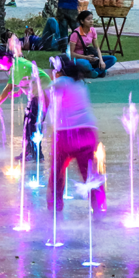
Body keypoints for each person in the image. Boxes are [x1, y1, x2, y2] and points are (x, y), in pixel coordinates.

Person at [47, 54, 105, 212]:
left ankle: (55, 205)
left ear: (58, 70)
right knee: (90, 173)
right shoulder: (80, 84)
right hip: (87, 133)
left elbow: (46, 95)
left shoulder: (60, 82)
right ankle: (98, 207)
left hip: (66, 135)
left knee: (57, 172)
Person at [0, 43, 51, 162]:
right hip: (37, 95)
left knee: (34, 124)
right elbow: (28, 77)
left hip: (43, 94)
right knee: (28, 124)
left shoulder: (17, 66)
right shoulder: (17, 64)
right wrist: (19, 92)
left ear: (5, 58)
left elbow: (9, 87)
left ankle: (37, 155)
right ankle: (28, 151)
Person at [69, 10, 116, 78]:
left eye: (92, 19)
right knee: (85, 63)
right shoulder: (75, 34)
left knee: (112, 59)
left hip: (90, 56)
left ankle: (94, 72)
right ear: (82, 21)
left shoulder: (93, 30)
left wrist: (101, 61)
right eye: (88, 19)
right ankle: (99, 71)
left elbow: (97, 47)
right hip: (79, 58)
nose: (91, 21)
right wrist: (86, 57)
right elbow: (71, 53)